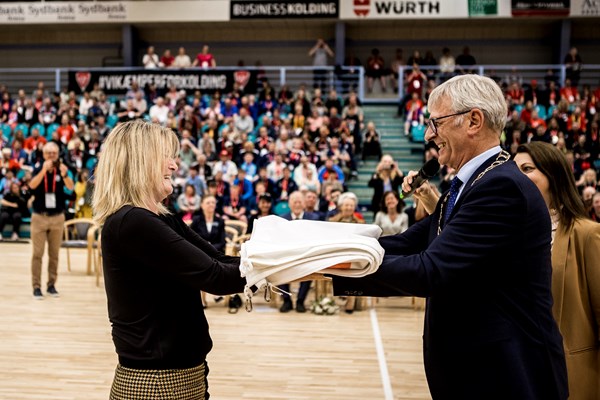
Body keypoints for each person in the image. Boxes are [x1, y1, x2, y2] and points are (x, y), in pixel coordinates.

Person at [331, 75, 568, 399]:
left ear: (473, 121)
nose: (429, 134)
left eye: (436, 122)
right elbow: (404, 243)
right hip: (476, 371)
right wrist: (321, 251)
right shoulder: (469, 186)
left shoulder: (502, 188)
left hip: (507, 377)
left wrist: (332, 263)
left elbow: (431, 270)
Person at [92, 120, 245, 399]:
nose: (174, 165)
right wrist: (292, 266)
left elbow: (221, 261)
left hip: (183, 376)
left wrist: (291, 262)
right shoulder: (132, 221)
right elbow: (217, 277)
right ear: (139, 161)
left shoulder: (161, 218)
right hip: (156, 385)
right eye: (166, 157)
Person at [514, 142, 600, 399]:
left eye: (526, 169)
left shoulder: (587, 233)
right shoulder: (510, 234)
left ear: (553, 176)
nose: (516, 178)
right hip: (519, 372)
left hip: (571, 375)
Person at [28, 142, 74, 299]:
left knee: (54, 254)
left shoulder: (63, 169)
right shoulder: (37, 167)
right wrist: (42, 171)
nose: (52, 156)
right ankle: (36, 286)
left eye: (54, 153)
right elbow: (32, 186)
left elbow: (71, 187)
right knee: (37, 254)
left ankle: (51, 285)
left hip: (57, 218)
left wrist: (65, 174)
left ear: (58, 154)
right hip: (39, 217)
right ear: (43, 154)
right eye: (48, 153)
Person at [278, 190, 321, 313]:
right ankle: (286, 301)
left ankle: (300, 301)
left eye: (299, 202)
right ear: (289, 204)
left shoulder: (313, 218)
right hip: (287, 255)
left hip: (306, 254)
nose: (297, 204)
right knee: (277, 267)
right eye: (294, 202)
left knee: (310, 267)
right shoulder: (282, 219)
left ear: (304, 203)